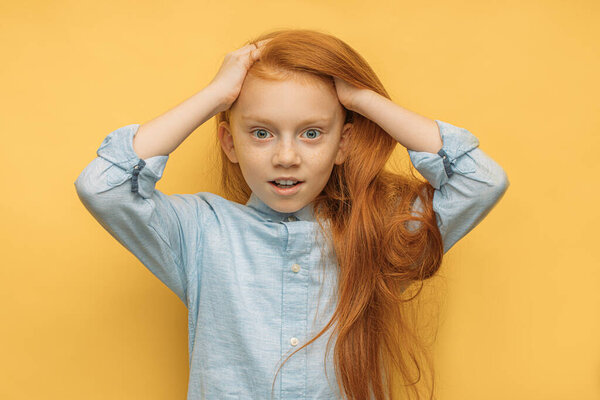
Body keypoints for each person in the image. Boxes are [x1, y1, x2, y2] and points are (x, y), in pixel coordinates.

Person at [74, 29, 509, 400]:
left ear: (343, 146)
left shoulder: (376, 231)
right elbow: (103, 186)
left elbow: (479, 180)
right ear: (229, 143)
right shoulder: (199, 232)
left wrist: (363, 98)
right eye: (261, 133)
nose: (286, 156)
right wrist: (215, 96)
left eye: (312, 133)